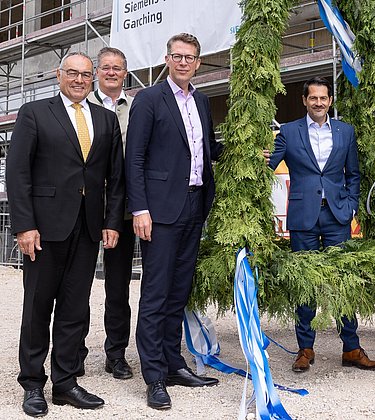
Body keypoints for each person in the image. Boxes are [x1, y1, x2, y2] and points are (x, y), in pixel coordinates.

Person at [7, 51, 124, 416]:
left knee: (76, 308)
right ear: (59, 75)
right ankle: (32, 383)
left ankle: (66, 382)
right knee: (38, 307)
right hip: (43, 229)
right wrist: (24, 226)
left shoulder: (106, 120)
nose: (78, 80)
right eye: (72, 73)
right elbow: (18, 173)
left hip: (88, 228)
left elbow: (115, 178)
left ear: (93, 79)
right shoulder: (35, 113)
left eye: (85, 75)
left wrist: (111, 221)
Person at [125, 33, 222, 410]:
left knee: (179, 293)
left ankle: (172, 364)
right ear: (167, 59)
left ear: (198, 63)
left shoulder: (201, 99)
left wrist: (245, 148)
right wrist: (140, 209)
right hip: (160, 212)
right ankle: (153, 378)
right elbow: (134, 158)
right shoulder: (149, 100)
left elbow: (206, 149)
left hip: (194, 208)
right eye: (177, 56)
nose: (184, 62)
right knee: (155, 294)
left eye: (191, 57)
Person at [263, 76, 375, 373]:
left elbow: (353, 173)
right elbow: (271, 162)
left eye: (323, 98)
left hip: (336, 216)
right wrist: (260, 157)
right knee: (305, 283)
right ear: (305, 100)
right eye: (313, 98)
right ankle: (305, 349)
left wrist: (351, 203)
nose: (318, 103)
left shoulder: (345, 132)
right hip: (303, 217)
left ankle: (352, 348)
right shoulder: (289, 132)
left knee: (343, 282)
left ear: (330, 101)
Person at [80, 46, 135, 380]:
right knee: (79, 284)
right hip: (83, 207)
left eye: (117, 67)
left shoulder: (138, 107)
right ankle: (75, 351)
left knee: (118, 287)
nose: (111, 72)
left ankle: (116, 353)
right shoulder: (82, 106)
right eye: (105, 67)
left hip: (123, 210)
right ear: (97, 72)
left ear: (125, 72)